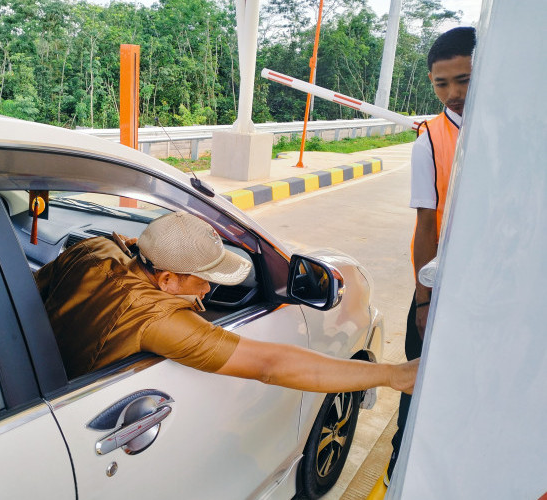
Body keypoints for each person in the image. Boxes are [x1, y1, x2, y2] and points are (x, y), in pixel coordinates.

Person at [35, 210, 419, 395]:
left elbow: (34, 291)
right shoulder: (158, 320)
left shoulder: (93, 248)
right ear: (167, 279)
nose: (206, 292)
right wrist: (390, 375)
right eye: (204, 282)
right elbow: (270, 365)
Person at [384, 26, 477, 486]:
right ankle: (402, 468)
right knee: (416, 388)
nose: (454, 93)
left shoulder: (517, 130)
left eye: (464, 79)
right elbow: (426, 226)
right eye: (442, 83)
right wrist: (424, 301)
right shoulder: (431, 139)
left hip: (491, 294)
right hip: (440, 291)